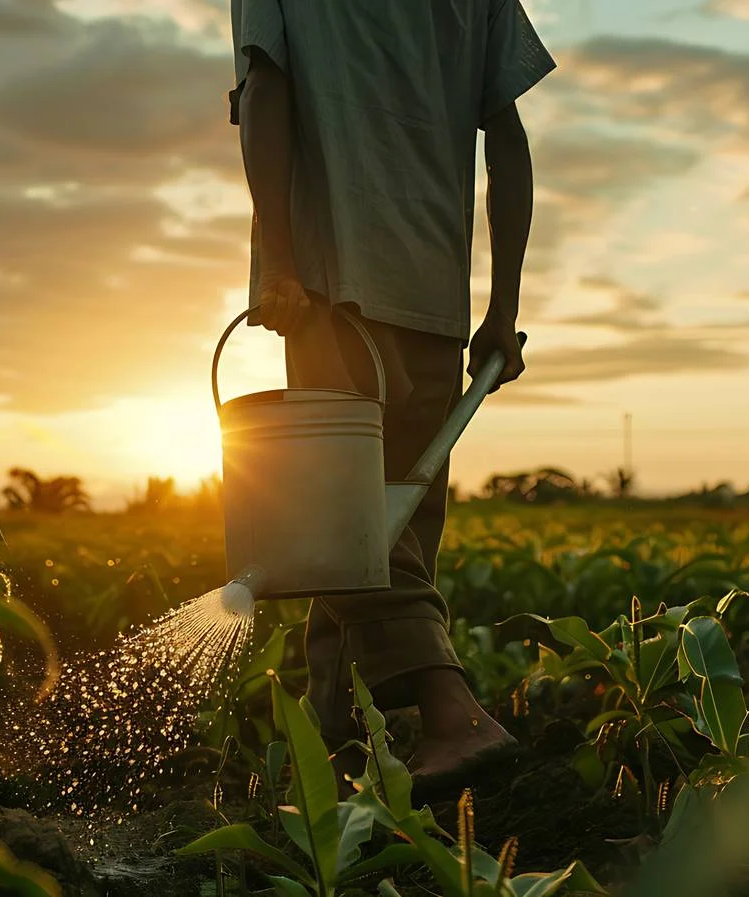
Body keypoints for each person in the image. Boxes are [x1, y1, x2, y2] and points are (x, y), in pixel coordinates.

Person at [228, 0, 554, 793]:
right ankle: (334, 750)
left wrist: (280, 264)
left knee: (347, 537)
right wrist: (502, 310)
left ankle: (456, 717)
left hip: (331, 284)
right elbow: (506, 142)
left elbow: (265, 92)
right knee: (390, 535)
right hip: (435, 292)